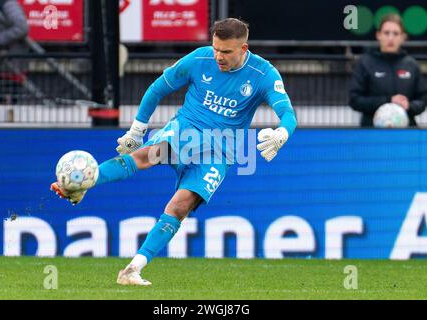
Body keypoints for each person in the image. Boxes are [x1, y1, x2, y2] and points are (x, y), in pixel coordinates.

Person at [51, 18, 297, 286]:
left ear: (243, 48)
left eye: (226, 51)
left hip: (219, 151)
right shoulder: (200, 59)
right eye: (215, 48)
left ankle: (132, 270)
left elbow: (287, 114)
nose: (218, 56)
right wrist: (136, 132)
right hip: (185, 132)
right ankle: (85, 181)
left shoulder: (263, 74)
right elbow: (158, 89)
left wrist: (282, 133)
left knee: (179, 206)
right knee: (145, 155)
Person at [349, 14, 427, 127]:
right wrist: (388, 101)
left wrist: (409, 106)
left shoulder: (411, 64)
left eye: (395, 33)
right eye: (386, 33)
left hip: (406, 134)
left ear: (402, 37)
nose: (391, 38)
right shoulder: (365, 63)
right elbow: (355, 100)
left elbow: (423, 100)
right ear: (378, 35)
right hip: (371, 133)